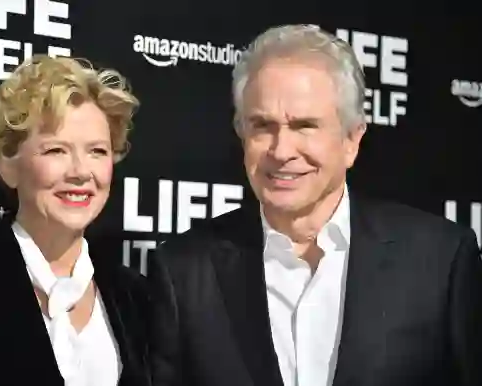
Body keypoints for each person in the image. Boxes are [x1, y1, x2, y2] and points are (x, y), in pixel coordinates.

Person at [148, 24, 482, 386]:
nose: (281, 151)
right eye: (262, 126)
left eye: (305, 126)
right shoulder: (183, 271)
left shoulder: (439, 260)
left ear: (352, 140)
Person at [0, 54, 150, 386]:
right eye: (56, 150)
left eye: (97, 151)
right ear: (7, 164)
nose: (80, 172)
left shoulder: (133, 297)